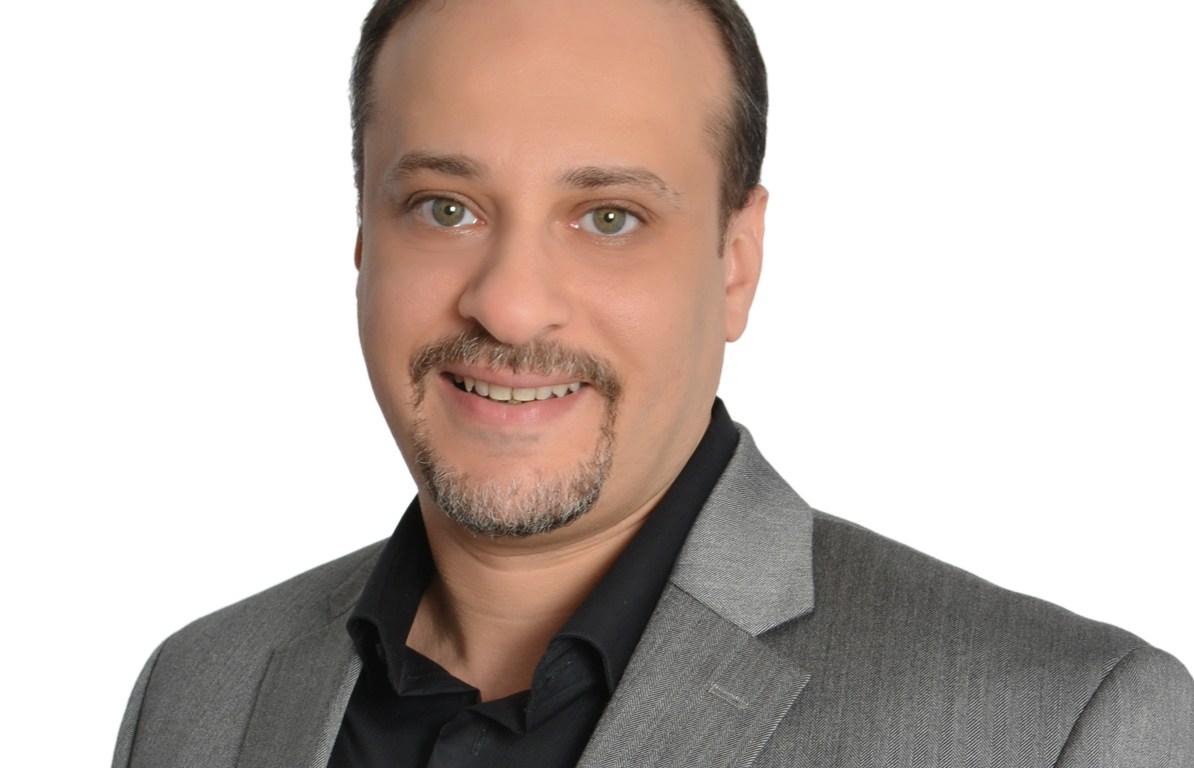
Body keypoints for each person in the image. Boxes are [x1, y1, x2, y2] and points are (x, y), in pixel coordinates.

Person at [112, 0, 1193, 766]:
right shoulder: (198, 695)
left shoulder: (1062, 728)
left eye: (608, 218)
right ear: (363, 238)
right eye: (446, 207)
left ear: (736, 264)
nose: (510, 305)